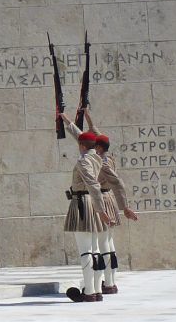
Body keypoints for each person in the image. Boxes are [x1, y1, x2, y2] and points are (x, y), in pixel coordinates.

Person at [80, 110, 138, 294]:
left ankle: (105, 283)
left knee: (102, 243)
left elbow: (117, 183)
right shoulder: (106, 156)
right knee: (107, 242)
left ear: (97, 148)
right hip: (107, 199)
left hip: (103, 200)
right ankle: (109, 282)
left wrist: (125, 207)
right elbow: (94, 136)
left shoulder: (101, 162)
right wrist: (86, 117)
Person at [59, 114, 111, 303]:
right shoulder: (97, 157)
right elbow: (85, 138)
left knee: (86, 251)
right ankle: (96, 290)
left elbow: (93, 184)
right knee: (95, 250)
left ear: (81, 147)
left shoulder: (83, 161)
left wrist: (102, 211)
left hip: (83, 204)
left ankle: (89, 292)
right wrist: (67, 122)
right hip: (92, 205)